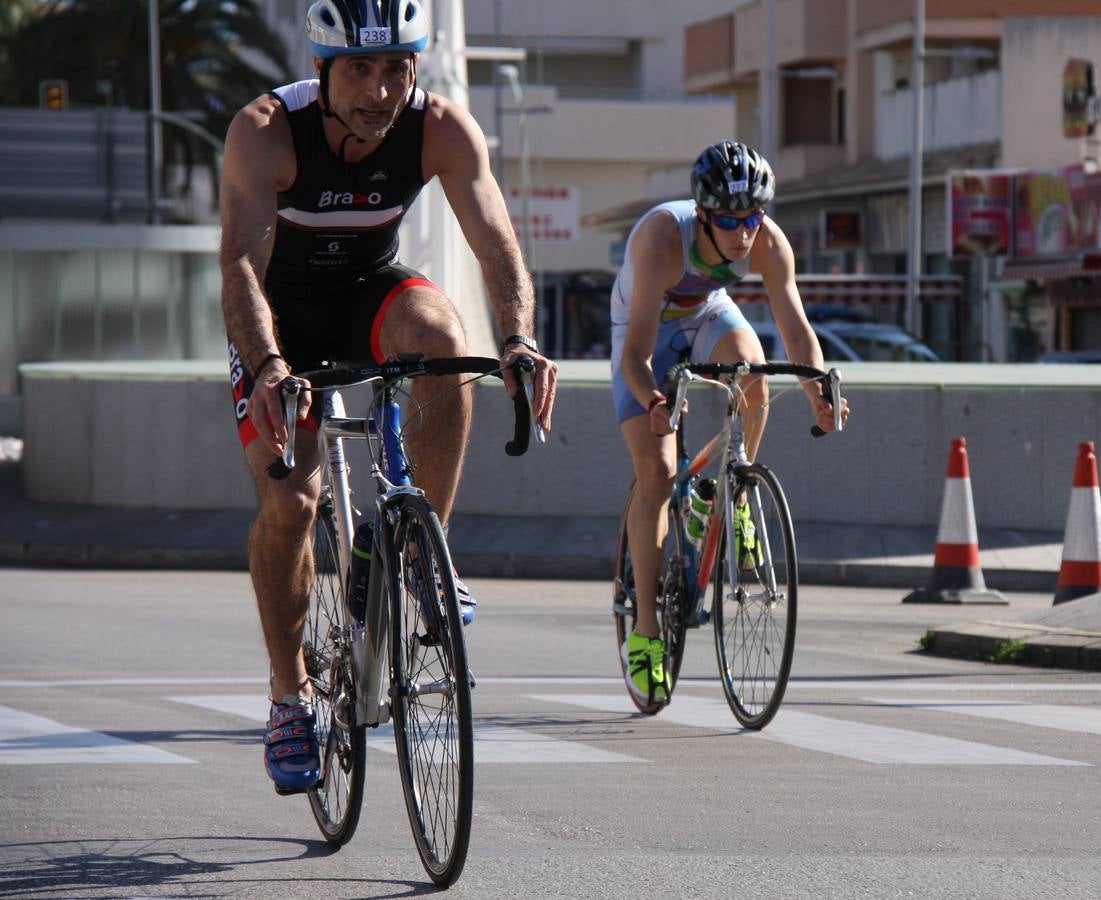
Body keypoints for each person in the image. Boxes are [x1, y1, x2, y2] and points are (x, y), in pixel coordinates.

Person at [219, 0, 557, 795]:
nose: (379, 91)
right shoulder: (266, 130)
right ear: (324, 68)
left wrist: (517, 340)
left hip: (369, 295)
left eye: (396, 69)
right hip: (280, 325)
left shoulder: (440, 127)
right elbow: (238, 263)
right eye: (361, 71)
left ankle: (417, 549)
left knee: (444, 341)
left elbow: (496, 242)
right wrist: (267, 365)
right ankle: (287, 693)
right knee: (291, 506)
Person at [611, 140, 849, 702]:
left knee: (755, 370)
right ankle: (646, 628)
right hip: (645, 334)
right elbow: (636, 359)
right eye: (728, 221)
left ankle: (727, 491)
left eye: (752, 218)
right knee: (657, 473)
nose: (743, 234)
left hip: (707, 313)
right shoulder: (662, 240)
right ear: (703, 214)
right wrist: (654, 402)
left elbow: (796, 329)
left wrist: (819, 387)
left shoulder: (768, 242)